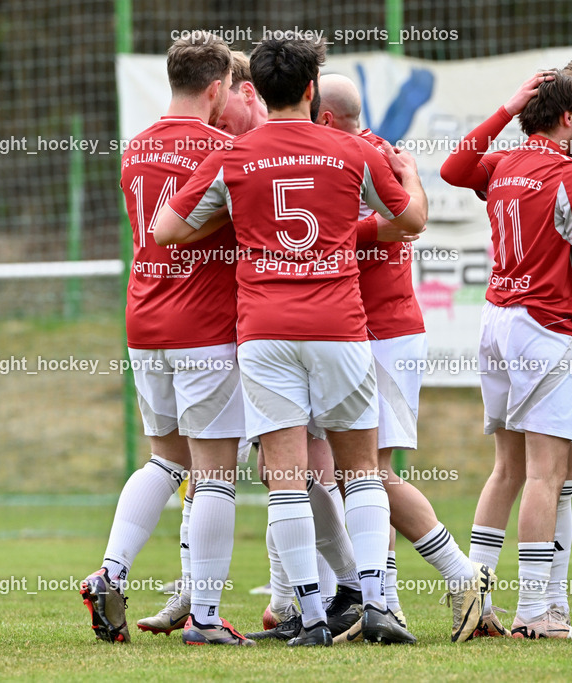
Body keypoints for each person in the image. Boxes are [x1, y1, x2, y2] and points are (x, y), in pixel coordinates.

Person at [155, 35, 427, 646]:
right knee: (360, 472)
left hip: (265, 331)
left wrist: (238, 216)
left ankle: (306, 615)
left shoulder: (235, 155)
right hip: (340, 326)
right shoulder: (352, 150)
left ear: (259, 88)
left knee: (285, 476)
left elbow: (168, 228)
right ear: (310, 89)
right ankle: (379, 606)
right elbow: (408, 221)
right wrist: (410, 180)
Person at [79, 31, 251, 646]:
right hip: (202, 326)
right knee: (215, 472)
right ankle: (205, 617)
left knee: (164, 459)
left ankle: (111, 571)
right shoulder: (226, 151)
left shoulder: (135, 148)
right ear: (215, 88)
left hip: (143, 320)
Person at [315, 74, 493, 644]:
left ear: (322, 117)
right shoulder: (366, 152)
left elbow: (400, 224)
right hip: (363, 334)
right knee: (357, 479)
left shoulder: (360, 155)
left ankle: (463, 576)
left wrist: (333, 234)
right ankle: (381, 606)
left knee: (372, 475)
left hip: (383, 333)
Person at [442, 70, 572, 639]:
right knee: (547, 473)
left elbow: (454, 168)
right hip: (544, 325)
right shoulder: (567, 175)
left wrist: (505, 106)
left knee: (507, 469)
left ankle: (476, 598)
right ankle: (536, 614)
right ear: (568, 118)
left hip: (495, 320)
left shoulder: (506, 164)